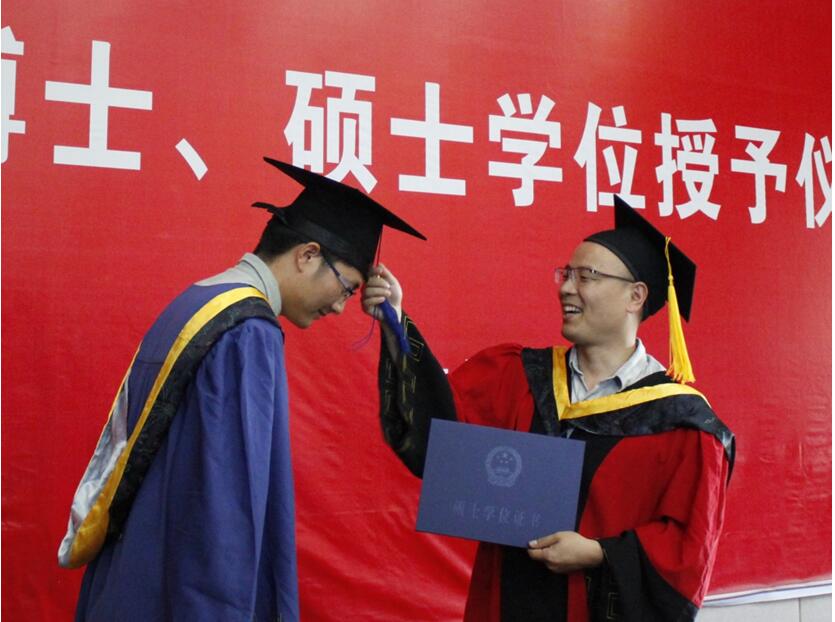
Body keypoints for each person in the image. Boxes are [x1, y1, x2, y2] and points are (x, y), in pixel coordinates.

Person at [57, 157, 425, 622]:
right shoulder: (249, 334)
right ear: (308, 255)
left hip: (132, 572)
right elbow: (227, 504)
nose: (339, 308)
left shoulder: (200, 299)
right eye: (347, 289)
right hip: (179, 590)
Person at [361, 197, 734, 622]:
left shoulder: (681, 423)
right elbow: (441, 442)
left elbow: (687, 550)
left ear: (636, 296)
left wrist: (598, 553)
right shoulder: (518, 376)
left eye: (586, 276)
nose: (567, 288)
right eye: (566, 274)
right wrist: (396, 325)